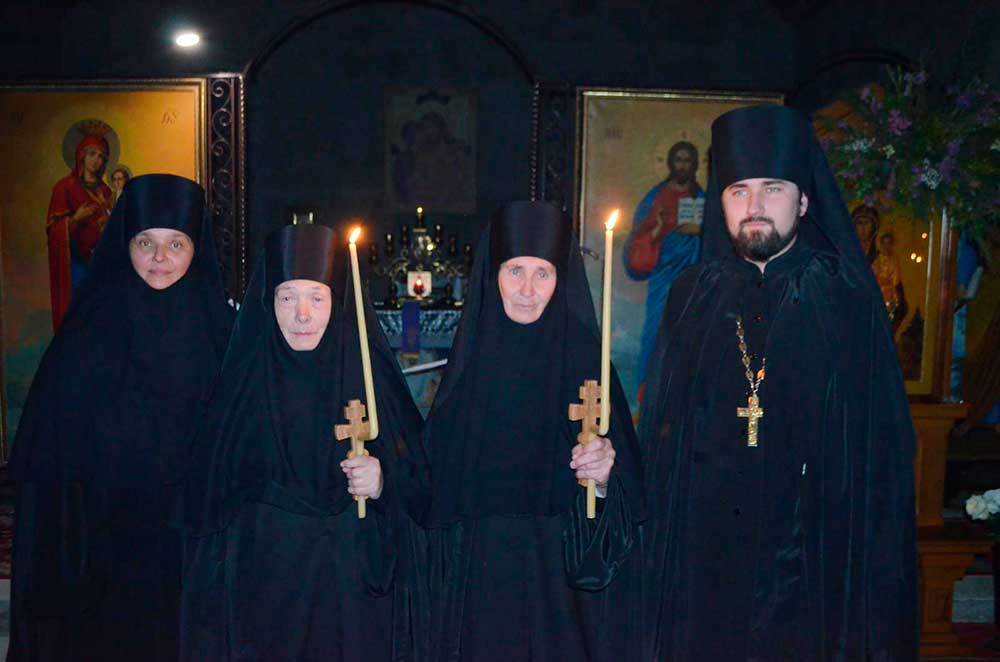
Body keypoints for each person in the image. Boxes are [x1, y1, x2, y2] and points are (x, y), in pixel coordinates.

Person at [639, 105, 917, 661]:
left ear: (804, 200)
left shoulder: (847, 300)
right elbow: (662, 433)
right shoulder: (691, 296)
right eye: (739, 191)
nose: (755, 207)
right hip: (708, 558)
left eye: (773, 189)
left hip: (813, 560)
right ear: (721, 202)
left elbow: (880, 453)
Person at [177, 223, 430, 661]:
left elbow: (420, 489)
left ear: (339, 302)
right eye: (287, 298)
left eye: (317, 297)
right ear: (267, 302)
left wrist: (383, 481)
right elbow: (207, 507)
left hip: (350, 589)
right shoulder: (241, 388)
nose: (302, 315)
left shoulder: (372, 380)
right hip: (265, 589)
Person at [8, 174, 233, 661]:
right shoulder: (85, 335)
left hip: (190, 553)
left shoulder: (225, 340)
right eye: (145, 242)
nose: (160, 258)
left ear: (196, 250)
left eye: (176, 244)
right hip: (103, 551)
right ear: (124, 244)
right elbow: (49, 458)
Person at [420, 201, 643, 661]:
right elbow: (432, 501)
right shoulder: (469, 367)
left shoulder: (589, 365)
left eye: (542, 273)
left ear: (562, 279)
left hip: (562, 588)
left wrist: (605, 478)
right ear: (493, 276)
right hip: (480, 580)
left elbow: (630, 505)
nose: (526, 289)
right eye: (514, 271)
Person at [623, 141, 705, 396]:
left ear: (694, 165)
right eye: (678, 160)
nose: (683, 165)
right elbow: (639, 241)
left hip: (694, 276)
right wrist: (658, 231)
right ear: (670, 163)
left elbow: (717, 238)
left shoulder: (702, 198)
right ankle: (648, 396)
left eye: (687, 160)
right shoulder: (655, 197)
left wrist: (700, 231)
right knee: (655, 332)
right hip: (663, 276)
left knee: (690, 334)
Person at [46, 127, 115, 330]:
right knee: (78, 313)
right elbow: (53, 230)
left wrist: (108, 224)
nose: (96, 160)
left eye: (101, 157)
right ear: (81, 156)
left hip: (101, 262)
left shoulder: (106, 191)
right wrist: (76, 218)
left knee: (100, 313)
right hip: (76, 263)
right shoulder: (65, 187)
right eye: (92, 154)